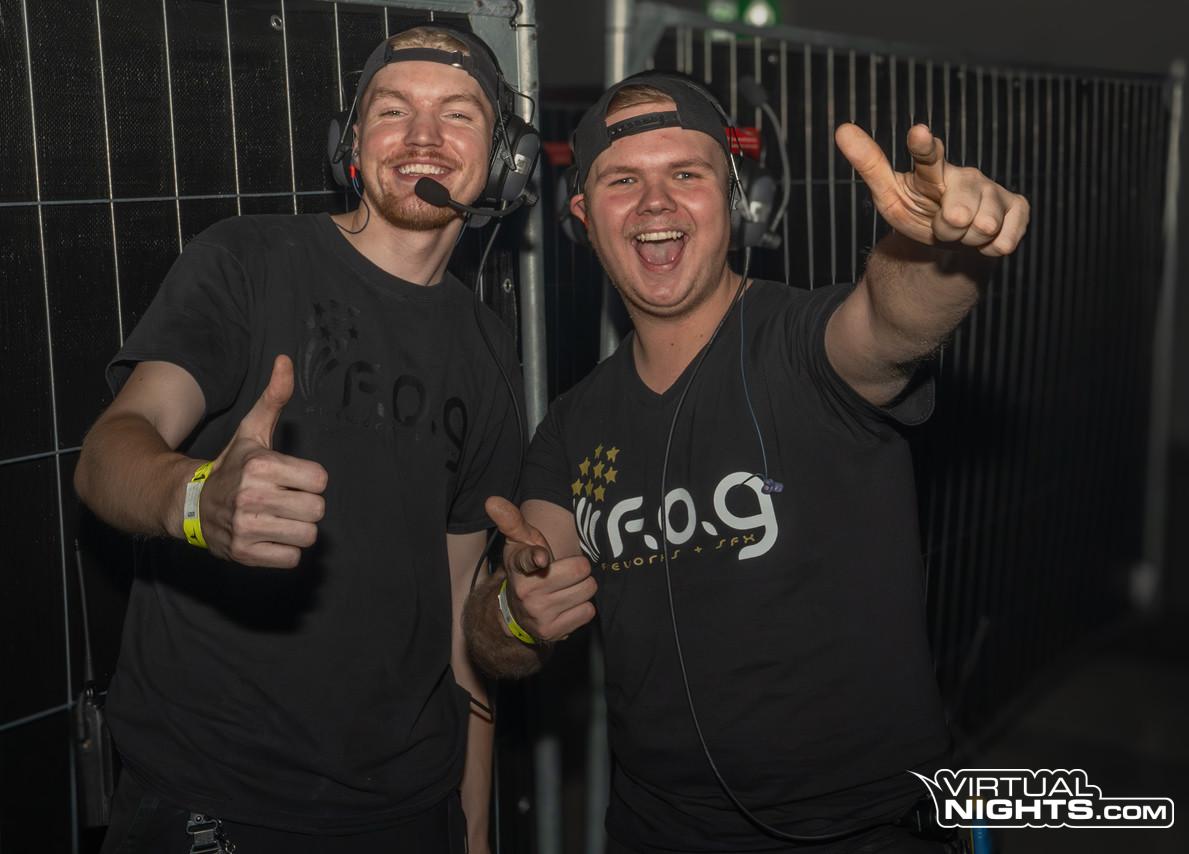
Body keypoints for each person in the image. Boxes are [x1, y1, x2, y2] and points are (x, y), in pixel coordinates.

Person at [464, 72, 1029, 852]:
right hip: (653, 832)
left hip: (861, 832)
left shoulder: (805, 345)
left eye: (685, 175)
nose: (655, 203)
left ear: (734, 200)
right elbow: (504, 622)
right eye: (623, 180)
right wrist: (514, 613)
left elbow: (892, 321)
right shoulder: (570, 425)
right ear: (585, 216)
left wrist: (937, 253)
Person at [74, 25, 527, 853]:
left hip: (409, 808)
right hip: (214, 794)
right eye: (393, 110)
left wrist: (473, 830)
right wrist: (196, 500)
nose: (423, 137)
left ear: (505, 161)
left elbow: (460, 614)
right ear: (350, 142)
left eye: (458, 114)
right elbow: (108, 453)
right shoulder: (248, 260)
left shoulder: (491, 349)